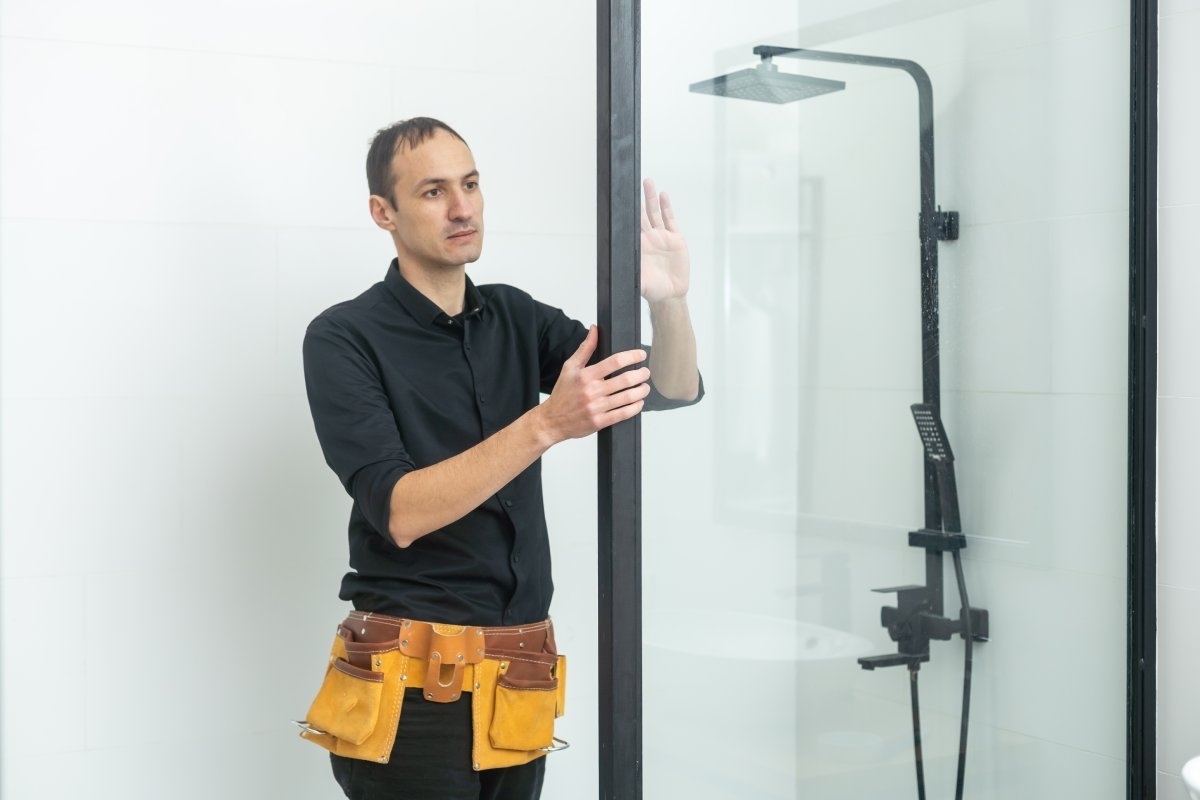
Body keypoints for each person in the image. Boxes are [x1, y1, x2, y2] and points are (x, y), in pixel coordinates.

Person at [300, 116, 701, 800]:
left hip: (519, 678)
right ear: (383, 212)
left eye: (471, 184)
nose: (462, 207)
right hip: (412, 692)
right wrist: (546, 423)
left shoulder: (517, 318)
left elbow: (666, 389)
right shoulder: (344, 337)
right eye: (432, 192)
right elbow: (399, 513)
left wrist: (669, 303)